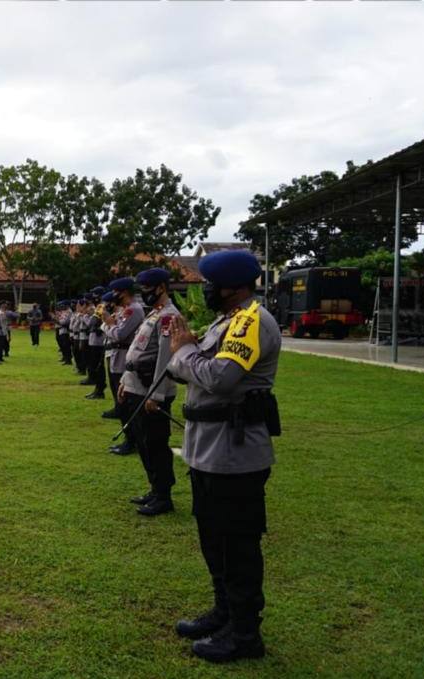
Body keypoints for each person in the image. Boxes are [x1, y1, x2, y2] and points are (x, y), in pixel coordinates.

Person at [167, 249, 281, 663]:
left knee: (237, 546)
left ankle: (245, 634)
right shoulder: (228, 321)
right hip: (210, 450)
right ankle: (224, 612)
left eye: (211, 285)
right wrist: (188, 352)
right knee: (214, 539)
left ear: (234, 287)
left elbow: (220, 376)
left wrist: (182, 352)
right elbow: (202, 367)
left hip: (235, 455)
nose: (206, 291)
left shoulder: (252, 322)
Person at [118, 268, 180, 517]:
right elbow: (135, 350)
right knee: (144, 443)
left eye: (147, 288)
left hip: (150, 391)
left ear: (161, 288)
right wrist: (124, 379)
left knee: (155, 444)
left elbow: (165, 359)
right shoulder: (153, 315)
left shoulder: (169, 316)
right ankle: (155, 490)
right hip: (136, 385)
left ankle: (164, 496)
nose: (143, 293)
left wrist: (156, 395)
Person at [102, 281, 145, 457]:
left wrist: (108, 324)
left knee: (125, 404)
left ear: (124, 292)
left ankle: (131, 441)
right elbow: (110, 330)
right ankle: (129, 439)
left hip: (124, 359)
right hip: (116, 357)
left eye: (116, 291)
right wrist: (109, 324)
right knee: (120, 403)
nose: (113, 295)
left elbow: (119, 334)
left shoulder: (133, 310)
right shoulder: (125, 309)